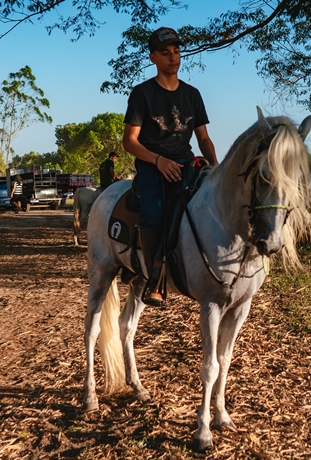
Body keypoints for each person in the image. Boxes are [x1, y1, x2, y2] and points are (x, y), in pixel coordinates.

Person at [123, 27, 218, 306]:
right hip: (153, 165)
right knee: (154, 211)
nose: (173, 57)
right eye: (165, 53)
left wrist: (216, 167)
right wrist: (158, 160)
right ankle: (154, 275)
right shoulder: (142, 94)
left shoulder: (192, 94)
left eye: (176, 51)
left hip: (187, 163)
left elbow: (203, 138)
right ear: (153, 57)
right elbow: (129, 141)